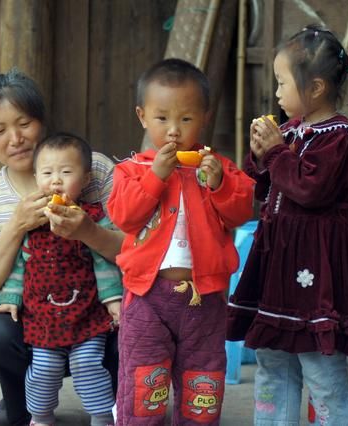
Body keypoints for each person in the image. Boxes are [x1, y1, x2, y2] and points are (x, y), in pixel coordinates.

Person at [226, 25, 348, 425]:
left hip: (313, 268)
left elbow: (308, 188)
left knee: (318, 361)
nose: (277, 93)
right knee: (273, 357)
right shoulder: (290, 131)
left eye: (283, 83)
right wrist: (259, 152)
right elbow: (264, 184)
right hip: (278, 261)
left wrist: (278, 153)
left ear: (315, 88)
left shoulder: (337, 138)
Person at [0, 69, 123, 426]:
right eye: (0, 130)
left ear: (41, 122)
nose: (15, 139)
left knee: (143, 317)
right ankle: (20, 404)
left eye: (24, 123)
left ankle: (116, 404)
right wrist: (17, 224)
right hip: (35, 321)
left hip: (100, 314)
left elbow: (137, 249)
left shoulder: (93, 169)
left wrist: (88, 231)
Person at [107, 58, 255, 425]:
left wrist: (219, 183)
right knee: (145, 385)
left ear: (205, 117)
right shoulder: (131, 171)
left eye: (186, 119)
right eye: (162, 118)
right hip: (147, 297)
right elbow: (124, 217)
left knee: (201, 386)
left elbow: (240, 213)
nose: (174, 130)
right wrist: (156, 176)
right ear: (142, 116)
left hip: (204, 297)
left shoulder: (218, 167)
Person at [0, 133, 119, 426]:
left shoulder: (91, 218)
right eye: (47, 173)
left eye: (66, 173)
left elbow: (104, 263)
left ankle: (103, 417)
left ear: (83, 180)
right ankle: (41, 417)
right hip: (43, 318)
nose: (56, 180)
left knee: (88, 366)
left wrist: (113, 299)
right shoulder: (32, 224)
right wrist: (9, 299)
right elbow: (20, 266)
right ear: (36, 179)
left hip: (87, 317)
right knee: (43, 369)